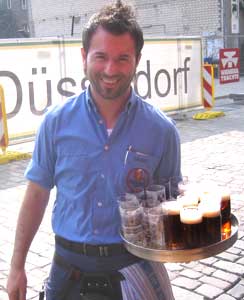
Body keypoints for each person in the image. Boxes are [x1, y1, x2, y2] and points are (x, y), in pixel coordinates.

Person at [7, 1, 181, 299]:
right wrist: (17, 266)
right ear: (84, 56)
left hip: (136, 266)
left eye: (122, 58)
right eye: (100, 56)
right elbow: (36, 194)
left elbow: (170, 203)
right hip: (68, 268)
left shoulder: (162, 130)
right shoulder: (55, 122)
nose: (110, 70)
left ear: (137, 60)